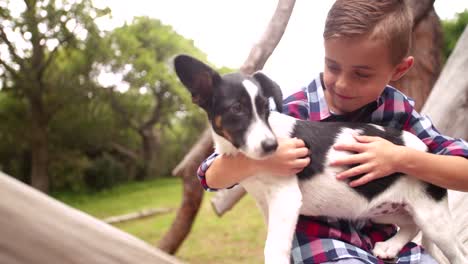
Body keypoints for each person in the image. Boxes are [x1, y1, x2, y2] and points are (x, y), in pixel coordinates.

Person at [197, 0, 468, 263]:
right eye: (333, 66)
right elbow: (211, 174)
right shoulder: (288, 113)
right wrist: (261, 157)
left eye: (361, 74)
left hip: (388, 241)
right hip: (321, 245)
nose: (342, 84)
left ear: (399, 70)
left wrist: (401, 159)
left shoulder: (400, 112)